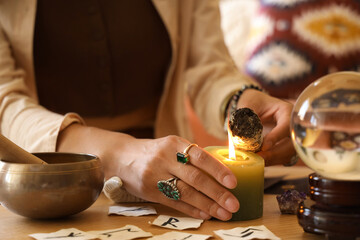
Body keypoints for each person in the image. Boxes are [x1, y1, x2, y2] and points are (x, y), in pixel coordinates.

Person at [0, 0, 294, 221]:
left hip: (165, 180)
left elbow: (209, 66)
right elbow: (4, 101)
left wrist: (240, 102)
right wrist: (119, 155)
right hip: (38, 182)